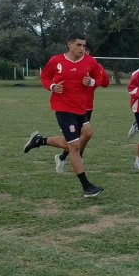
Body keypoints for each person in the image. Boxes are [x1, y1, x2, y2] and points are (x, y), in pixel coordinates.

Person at [23, 32, 104, 198]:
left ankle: (39, 140)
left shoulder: (90, 61)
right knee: (74, 146)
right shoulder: (56, 61)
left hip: (81, 109)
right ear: (69, 45)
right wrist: (52, 86)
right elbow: (45, 77)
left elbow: (101, 79)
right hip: (63, 108)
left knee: (87, 133)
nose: (82, 48)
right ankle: (86, 187)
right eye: (79, 45)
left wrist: (92, 82)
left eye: (84, 45)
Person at [54, 41, 110, 174]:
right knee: (75, 139)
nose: (82, 52)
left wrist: (98, 76)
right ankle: (68, 159)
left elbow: (105, 83)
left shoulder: (94, 65)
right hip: (70, 107)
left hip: (87, 107)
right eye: (80, 48)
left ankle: (65, 158)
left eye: (85, 50)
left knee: (83, 137)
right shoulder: (68, 64)